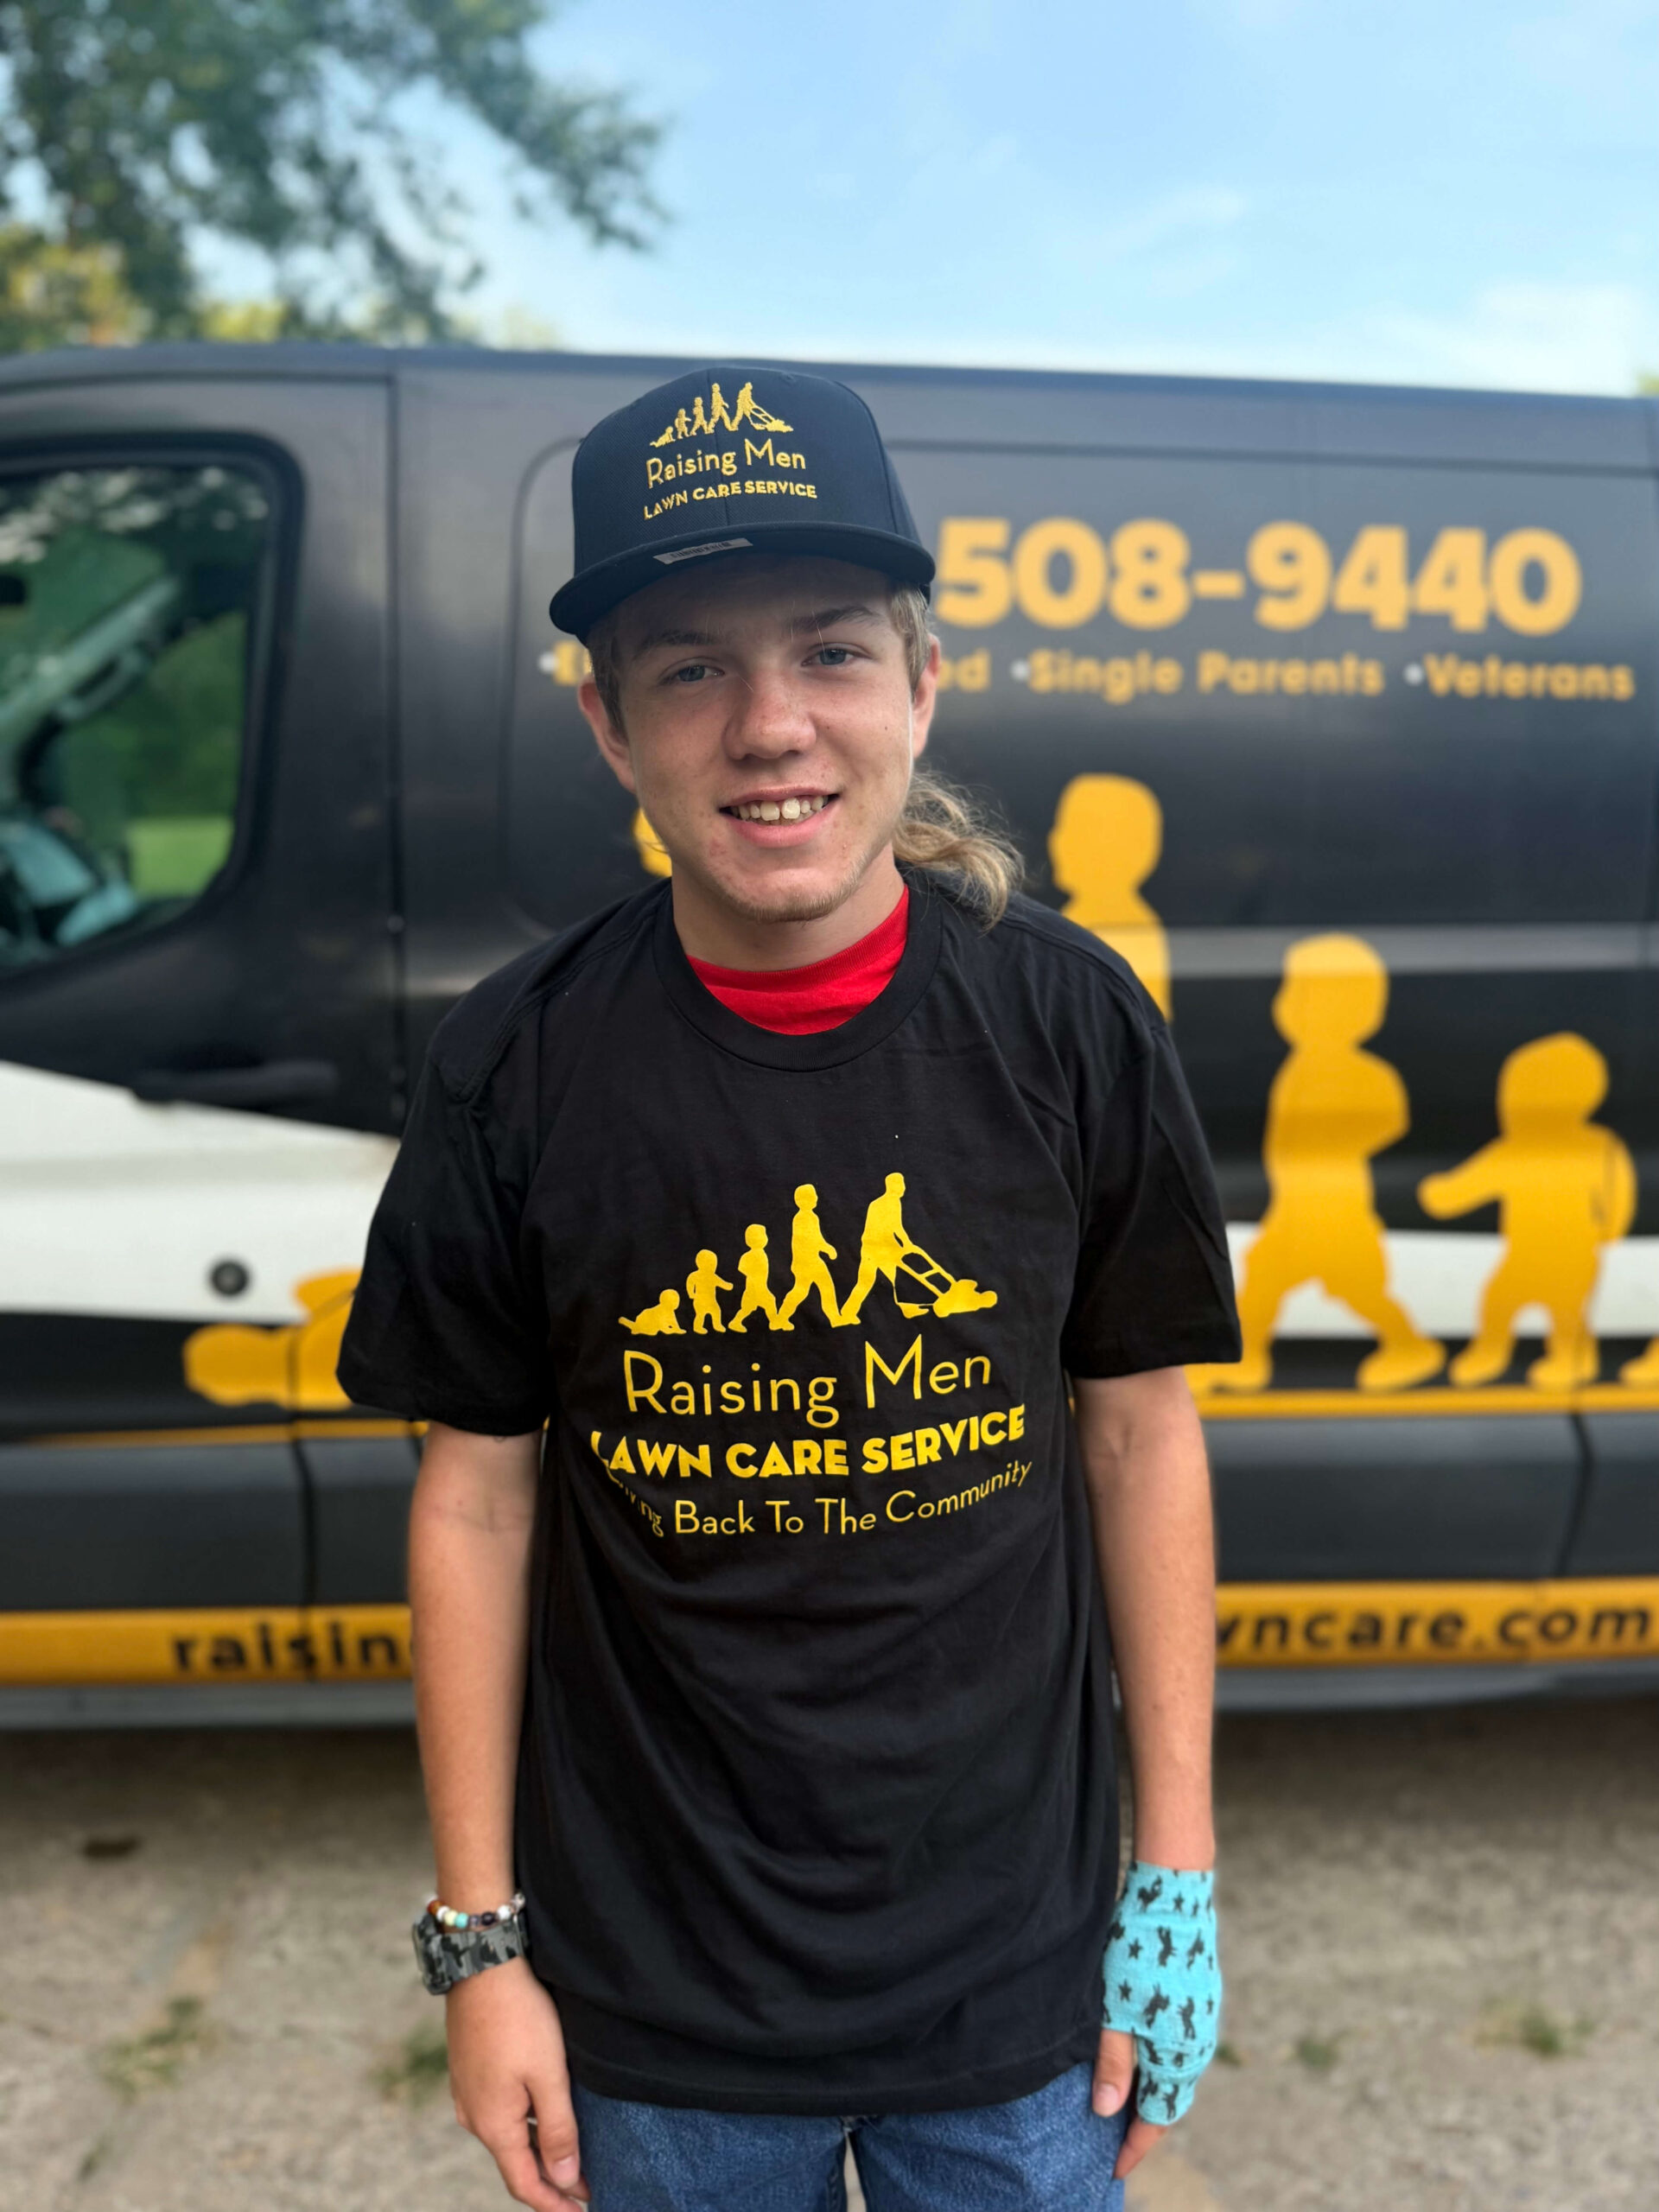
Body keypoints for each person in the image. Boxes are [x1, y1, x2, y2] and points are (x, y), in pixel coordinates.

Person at [339, 364, 1239, 2212]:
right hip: (658, 2015)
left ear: (921, 686)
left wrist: (1176, 1880)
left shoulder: (1071, 1025)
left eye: (831, 650)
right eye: (691, 669)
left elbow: (1141, 1436)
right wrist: (480, 1947)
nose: (771, 726)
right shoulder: (514, 1066)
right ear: (609, 726)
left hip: (1019, 1996)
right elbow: (477, 1499)